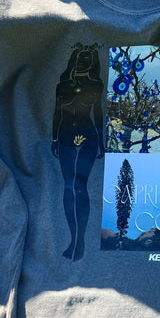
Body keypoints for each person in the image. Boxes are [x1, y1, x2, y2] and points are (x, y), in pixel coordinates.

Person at [52, 43, 105, 261]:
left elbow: (98, 113)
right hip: (65, 138)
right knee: (69, 187)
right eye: (81, 57)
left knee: (80, 187)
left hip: (88, 138)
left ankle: (80, 241)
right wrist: (54, 139)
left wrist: (101, 141)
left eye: (88, 58)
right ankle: (73, 238)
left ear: (92, 62)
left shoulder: (96, 85)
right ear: (74, 59)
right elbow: (57, 114)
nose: (84, 61)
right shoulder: (62, 85)